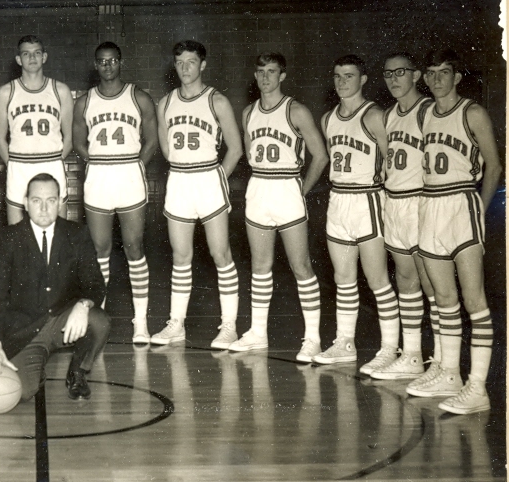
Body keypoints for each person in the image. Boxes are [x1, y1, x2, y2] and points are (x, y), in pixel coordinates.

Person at [406, 49, 501, 415]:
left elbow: (494, 165)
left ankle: (477, 387)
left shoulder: (472, 113)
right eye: (430, 72)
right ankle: (449, 374)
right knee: (444, 298)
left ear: (457, 77)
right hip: (430, 203)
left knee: (474, 300)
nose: (436, 79)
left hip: (462, 202)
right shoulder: (425, 113)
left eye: (444, 72)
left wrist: (480, 206)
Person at [0, 173, 109, 402]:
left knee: (99, 320)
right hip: (25, 331)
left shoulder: (77, 234)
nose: (44, 208)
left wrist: (83, 304)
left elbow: (95, 283)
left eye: (51, 200)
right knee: (21, 392)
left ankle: (77, 371)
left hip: (63, 322)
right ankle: (36, 369)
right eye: (37, 201)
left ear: (60, 202)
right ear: (26, 203)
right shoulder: (7, 239)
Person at [230, 53, 329, 361]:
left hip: (288, 187)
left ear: (282, 76)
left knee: (301, 266)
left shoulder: (296, 110)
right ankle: (258, 333)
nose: (265, 77)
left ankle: (312, 339)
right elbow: (250, 154)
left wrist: (303, 189)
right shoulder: (248, 112)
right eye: (261, 72)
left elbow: (321, 155)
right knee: (260, 266)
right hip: (259, 187)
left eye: (272, 72)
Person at [151, 40, 244, 346]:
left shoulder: (217, 101)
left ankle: (229, 326)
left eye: (191, 62)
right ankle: (177, 324)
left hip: (208, 179)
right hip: (179, 180)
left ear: (203, 65)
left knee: (220, 253)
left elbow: (235, 149)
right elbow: (166, 150)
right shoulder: (165, 103)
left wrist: (217, 178)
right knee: (180, 256)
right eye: (180, 63)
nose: (185, 68)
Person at [313, 55, 400, 373]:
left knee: (377, 279)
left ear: (363, 79)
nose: (342, 82)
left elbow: (393, 162)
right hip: (338, 200)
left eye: (349, 76)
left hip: (368, 199)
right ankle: (345, 342)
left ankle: (389, 348)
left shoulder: (375, 115)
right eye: (337, 76)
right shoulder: (327, 119)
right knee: (343, 278)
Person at [71, 42, 158, 343]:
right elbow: (78, 142)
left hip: (129, 174)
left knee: (134, 247)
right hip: (100, 177)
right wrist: (98, 161)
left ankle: (141, 322)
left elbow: (152, 140)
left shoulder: (139, 97)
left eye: (112, 61)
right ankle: (100, 320)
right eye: (102, 61)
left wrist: (136, 165)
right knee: (100, 250)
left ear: (121, 62)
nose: (107, 66)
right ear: (95, 65)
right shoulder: (84, 102)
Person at [369, 54, 435, 380]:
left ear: (416, 75)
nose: (393, 79)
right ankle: (411, 356)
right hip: (394, 202)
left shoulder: (428, 110)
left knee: (432, 284)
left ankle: (443, 361)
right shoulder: (389, 115)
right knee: (406, 282)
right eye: (388, 73)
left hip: (420, 202)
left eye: (400, 72)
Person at [0, 35, 74, 225]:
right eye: (26, 54)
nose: (32, 58)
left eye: (37, 53)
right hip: (19, 167)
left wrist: (54, 161)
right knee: (17, 232)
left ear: (44, 57)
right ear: (18, 59)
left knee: (57, 231)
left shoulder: (60, 90)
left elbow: (69, 138)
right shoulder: (6, 92)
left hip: (52, 164)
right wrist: (14, 164)